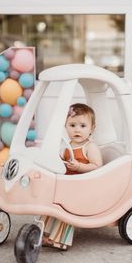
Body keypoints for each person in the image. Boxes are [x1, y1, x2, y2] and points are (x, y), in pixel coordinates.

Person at [42, 103, 103, 250]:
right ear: (65, 126)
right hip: (68, 184)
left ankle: (59, 239)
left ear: (91, 129)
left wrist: (79, 167)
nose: (77, 129)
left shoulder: (90, 147)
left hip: (83, 187)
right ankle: (45, 231)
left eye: (83, 126)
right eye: (72, 125)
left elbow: (97, 167)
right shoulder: (67, 145)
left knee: (66, 208)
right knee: (50, 202)